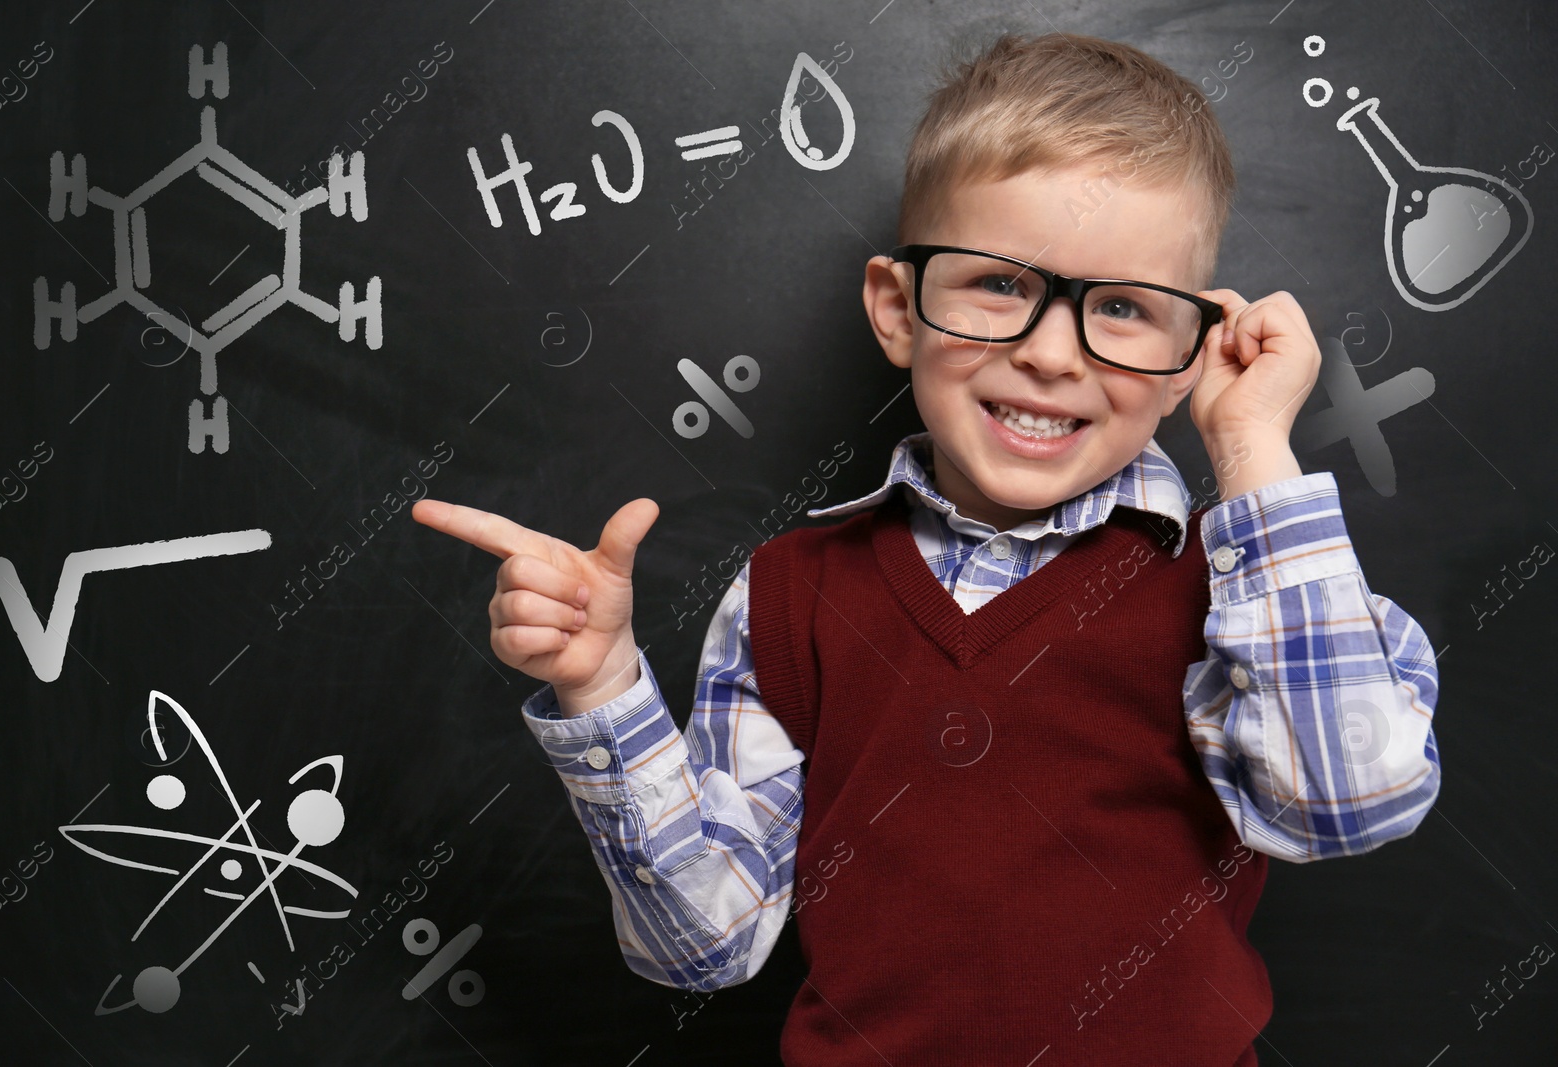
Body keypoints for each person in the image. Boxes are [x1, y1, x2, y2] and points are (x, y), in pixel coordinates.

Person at [412, 30, 1441, 1066]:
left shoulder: (1254, 585)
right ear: (898, 309)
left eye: (1123, 308)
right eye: (998, 284)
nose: (1047, 353)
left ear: (1188, 355)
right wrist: (603, 691)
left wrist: (1249, 443)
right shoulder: (791, 592)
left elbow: (1342, 806)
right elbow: (702, 946)